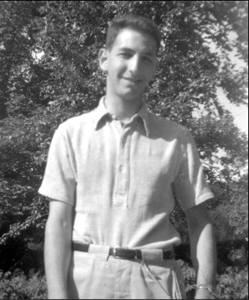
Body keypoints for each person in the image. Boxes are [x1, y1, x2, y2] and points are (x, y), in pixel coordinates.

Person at [39, 14, 217, 299]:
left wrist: (206, 291)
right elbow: (58, 223)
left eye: (146, 58)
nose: (135, 67)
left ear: (155, 68)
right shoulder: (70, 134)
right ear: (103, 59)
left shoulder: (177, 138)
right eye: (125, 54)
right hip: (85, 281)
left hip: (156, 280)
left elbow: (199, 220)